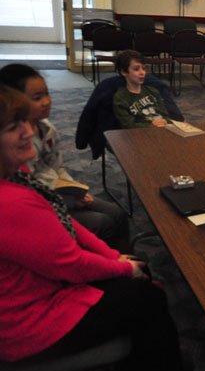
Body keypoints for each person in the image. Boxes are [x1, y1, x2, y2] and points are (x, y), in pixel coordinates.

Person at [0, 85, 194, 371]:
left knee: (137, 274)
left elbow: (64, 223)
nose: (27, 131)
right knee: (146, 297)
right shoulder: (11, 203)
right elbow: (70, 264)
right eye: (12, 128)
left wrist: (113, 257)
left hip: (40, 289)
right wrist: (121, 269)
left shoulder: (15, 175)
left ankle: (154, 364)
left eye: (25, 121)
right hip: (27, 324)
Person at [0, 63, 130, 252]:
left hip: (59, 193)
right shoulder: (14, 143)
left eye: (47, 94)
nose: (46, 102)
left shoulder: (47, 128)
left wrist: (76, 192)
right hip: (41, 204)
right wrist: (68, 200)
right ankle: (111, 268)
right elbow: (31, 187)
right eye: (37, 98)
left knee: (117, 212)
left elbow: (57, 167)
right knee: (103, 222)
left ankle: (130, 263)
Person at [113, 50, 169, 129]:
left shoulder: (153, 91)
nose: (142, 72)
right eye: (136, 69)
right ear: (124, 72)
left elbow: (165, 115)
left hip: (161, 129)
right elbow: (128, 125)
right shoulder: (121, 97)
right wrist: (151, 126)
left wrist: (164, 121)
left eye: (143, 68)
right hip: (139, 135)